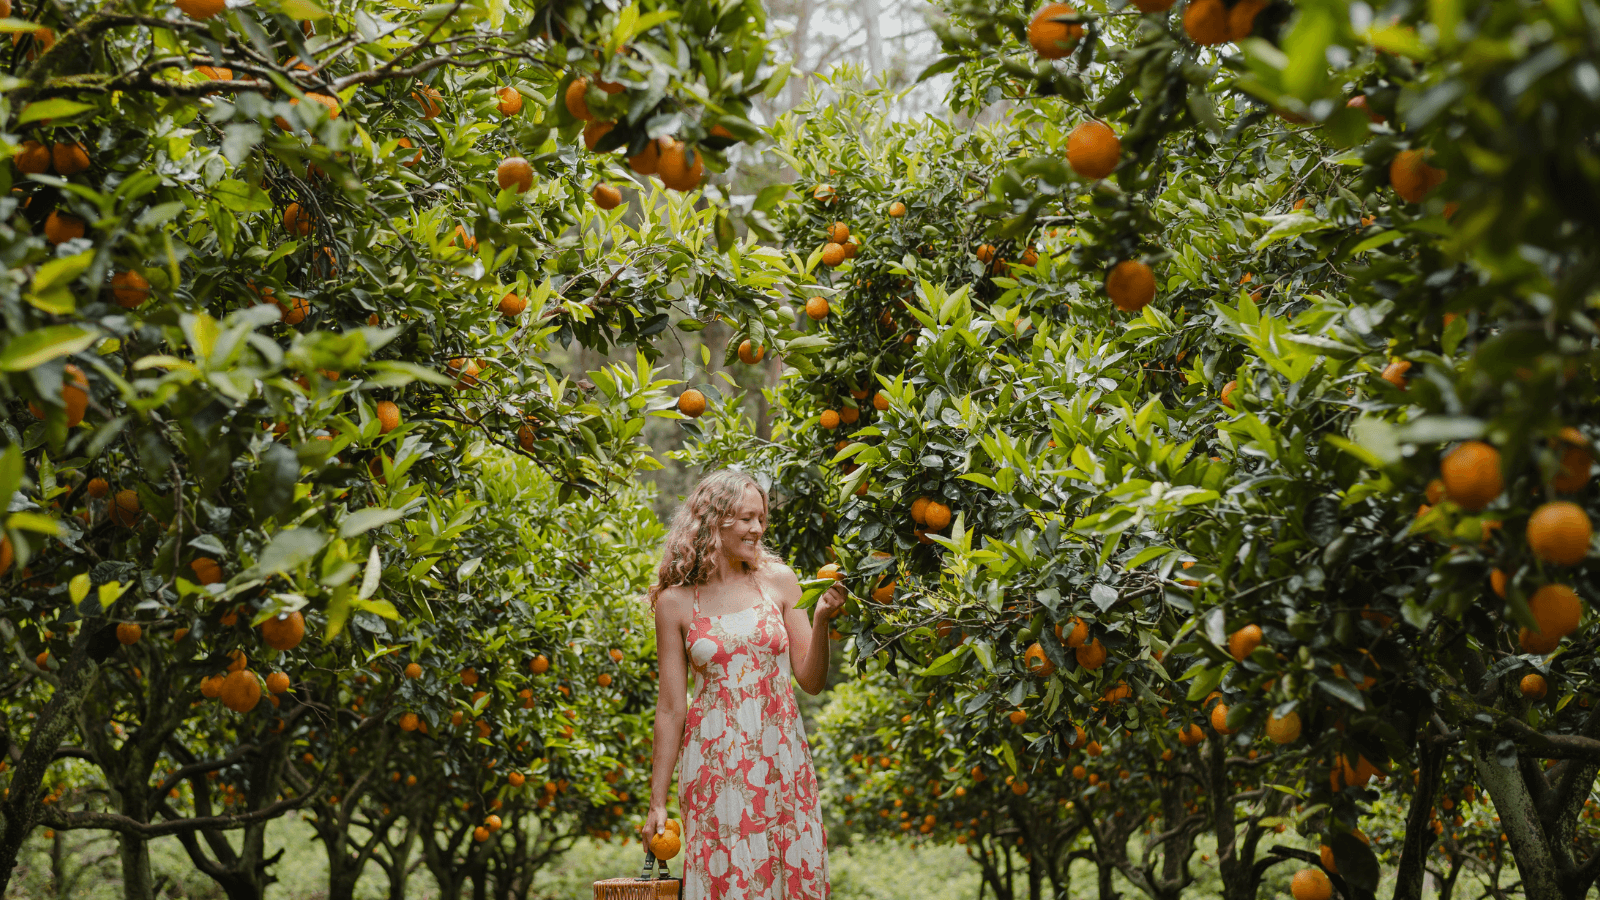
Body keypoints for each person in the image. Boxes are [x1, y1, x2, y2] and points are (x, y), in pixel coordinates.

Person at [641, 469, 847, 900]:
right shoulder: (675, 601)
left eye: (761, 518)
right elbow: (670, 708)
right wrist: (657, 801)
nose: (758, 529)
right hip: (715, 764)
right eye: (746, 519)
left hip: (780, 755)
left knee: (788, 869)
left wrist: (822, 620)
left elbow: (809, 681)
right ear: (712, 521)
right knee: (729, 874)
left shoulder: (779, 580)